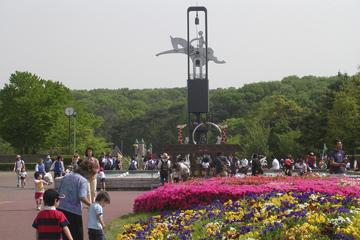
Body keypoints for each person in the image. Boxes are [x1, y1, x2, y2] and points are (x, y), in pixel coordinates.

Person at [58, 160, 97, 240]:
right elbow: (82, 197)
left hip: (61, 208)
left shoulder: (66, 176)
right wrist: (92, 205)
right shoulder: (82, 180)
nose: (90, 177)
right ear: (87, 171)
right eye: (90, 174)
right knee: (77, 236)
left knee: (64, 235)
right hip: (74, 212)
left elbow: (59, 191)